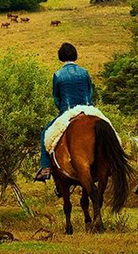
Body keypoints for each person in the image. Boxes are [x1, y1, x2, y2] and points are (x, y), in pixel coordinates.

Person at [34, 42, 94, 182]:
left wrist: (62, 110)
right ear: (75, 55)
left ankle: (45, 168)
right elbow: (90, 91)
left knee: (45, 133)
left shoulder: (58, 75)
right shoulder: (84, 72)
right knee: (109, 128)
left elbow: (57, 97)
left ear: (61, 57)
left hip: (68, 111)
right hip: (88, 109)